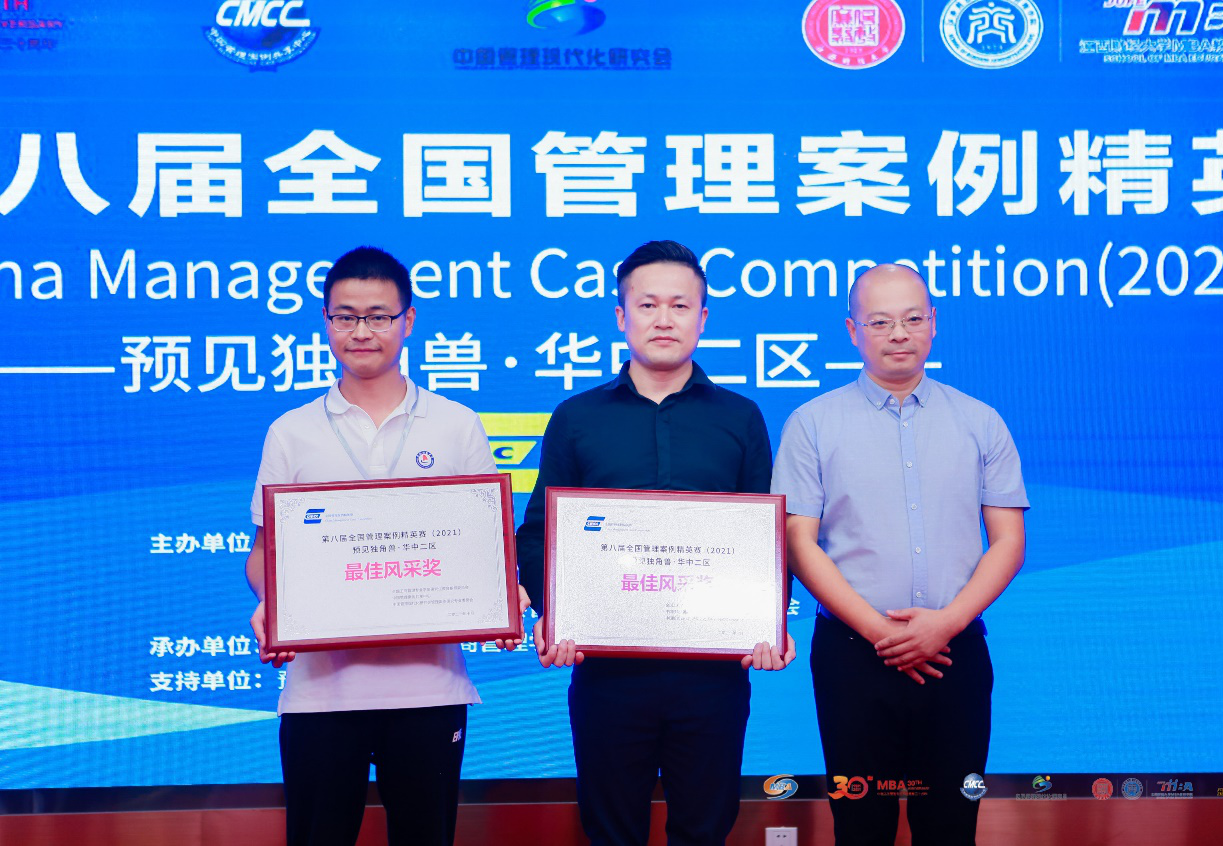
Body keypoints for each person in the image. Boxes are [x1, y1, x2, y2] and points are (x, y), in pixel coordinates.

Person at [515, 240, 795, 846]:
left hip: (713, 675)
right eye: (647, 305)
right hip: (607, 672)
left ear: (703, 317)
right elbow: (537, 535)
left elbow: (765, 537)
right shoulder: (576, 418)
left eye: (679, 305)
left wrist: (768, 622)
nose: (663, 319)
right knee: (611, 830)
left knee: (706, 828)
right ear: (622, 316)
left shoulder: (741, 417)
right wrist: (555, 614)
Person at [243, 246, 524, 846]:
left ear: (408, 320)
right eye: (345, 316)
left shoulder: (456, 424)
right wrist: (273, 605)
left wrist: (504, 597)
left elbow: (485, 544)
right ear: (326, 321)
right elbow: (266, 553)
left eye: (378, 316)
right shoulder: (291, 431)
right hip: (320, 692)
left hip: (429, 688)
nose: (361, 331)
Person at [771, 263, 1028, 846]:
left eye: (913, 319)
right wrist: (880, 632)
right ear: (852, 331)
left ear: (933, 323)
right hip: (852, 657)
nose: (899, 334)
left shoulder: (981, 422)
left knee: (952, 827)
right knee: (860, 828)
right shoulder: (812, 424)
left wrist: (946, 623)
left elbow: (1009, 542)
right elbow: (797, 543)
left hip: (955, 653)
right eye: (880, 321)